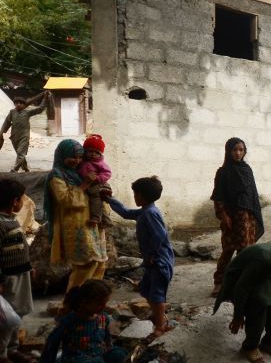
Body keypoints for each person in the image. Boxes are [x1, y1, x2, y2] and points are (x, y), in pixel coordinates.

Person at [39, 280, 125, 363]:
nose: (104, 306)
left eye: (105, 302)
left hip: (98, 358)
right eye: (99, 303)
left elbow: (107, 340)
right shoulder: (69, 321)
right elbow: (52, 341)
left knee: (119, 354)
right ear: (84, 302)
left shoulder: (103, 318)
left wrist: (110, 350)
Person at [214, 244, 271, 363]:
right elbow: (241, 288)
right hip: (236, 282)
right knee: (260, 302)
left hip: (259, 279)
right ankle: (250, 346)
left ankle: (268, 343)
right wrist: (238, 316)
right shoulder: (262, 261)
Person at [107, 176, 175, 336]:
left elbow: (159, 235)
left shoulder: (150, 213)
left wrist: (151, 254)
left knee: (157, 294)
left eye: (135, 194)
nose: (134, 197)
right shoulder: (146, 210)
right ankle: (158, 317)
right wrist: (110, 200)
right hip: (152, 261)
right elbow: (126, 213)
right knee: (147, 290)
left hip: (159, 262)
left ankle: (160, 326)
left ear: (142, 196)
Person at [0, 177, 36, 363]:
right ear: (14, 201)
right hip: (6, 280)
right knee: (4, 319)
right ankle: (0, 357)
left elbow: (20, 248)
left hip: (20, 275)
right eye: (21, 198)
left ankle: (12, 350)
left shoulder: (11, 220)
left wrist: (28, 266)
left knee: (17, 314)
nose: (22, 202)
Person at [44, 138, 109, 295]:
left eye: (80, 157)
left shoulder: (80, 170)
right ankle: (73, 304)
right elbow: (65, 200)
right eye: (73, 157)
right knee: (85, 264)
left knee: (99, 263)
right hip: (75, 225)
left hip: (92, 223)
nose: (77, 161)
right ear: (62, 156)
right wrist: (85, 184)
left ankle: (93, 301)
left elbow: (96, 189)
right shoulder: (56, 175)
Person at [210, 137, 264, 294]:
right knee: (228, 250)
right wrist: (223, 215)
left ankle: (241, 282)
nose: (238, 153)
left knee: (245, 251)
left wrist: (253, 216)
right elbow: (218, 196)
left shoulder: (247, 170)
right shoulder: (223, 172)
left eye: (241, 150)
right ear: (228, 151)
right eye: (234, 150)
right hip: (231, 218)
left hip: (247, 218)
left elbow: (252, 195)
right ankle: (219, 282)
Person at [0, 90, 49, 172]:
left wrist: (44, 98)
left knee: (20, 152)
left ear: (24, 105)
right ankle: (25, 168)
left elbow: (40, 109)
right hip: (14, 137)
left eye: (21, 103)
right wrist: (2, 132)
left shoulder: (27, 112)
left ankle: (15, 169)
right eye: (16, 103)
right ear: (14, 104)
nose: (18, 104)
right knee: (20, 153)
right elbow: (7, 122)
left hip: (24, 136)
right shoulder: (12, 112)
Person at [79, 134, 113, 228]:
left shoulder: (100, 163)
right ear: (85, 151)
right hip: (86, 184)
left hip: (96, 185)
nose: (93, 154)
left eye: (96, 152)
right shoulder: (82, 161)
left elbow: (107, 173)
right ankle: (106, 220)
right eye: (90, 151)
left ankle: (96, 218)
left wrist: (97, 178)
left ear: (100, 154)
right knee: (96, 202)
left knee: (95, 200)